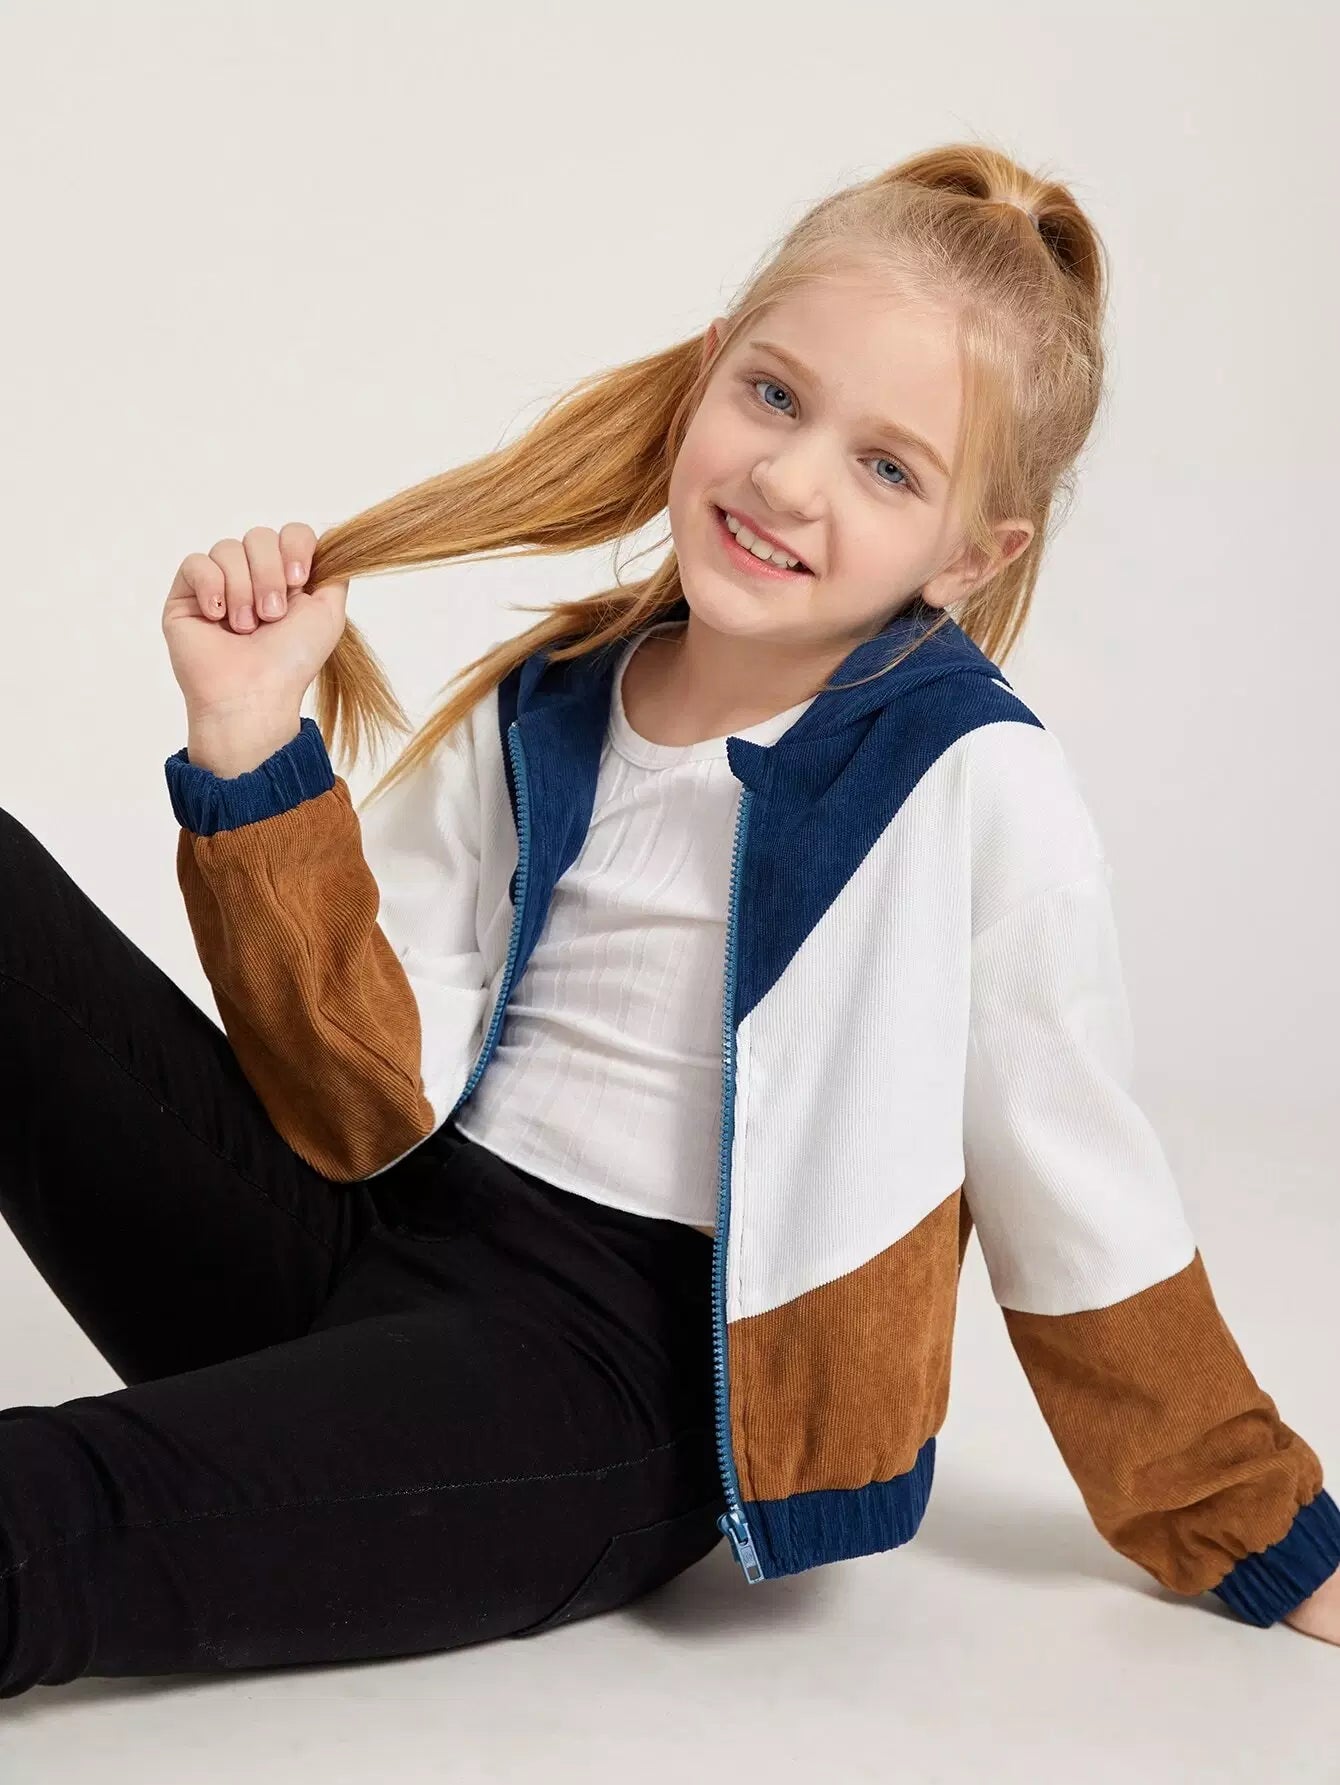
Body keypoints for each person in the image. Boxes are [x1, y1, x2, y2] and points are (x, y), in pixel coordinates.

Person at [1, 141, 1337, 1702]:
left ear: (973, 556)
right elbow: (352, 1088)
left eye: (889, 469)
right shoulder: (553, 701)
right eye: (775, 396)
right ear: (709, 370)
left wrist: (1268, 1532)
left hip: (593, 1378)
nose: (790, 480)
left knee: (57, 1511)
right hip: (375, 1228)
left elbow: (1080, 1194)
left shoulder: (968, 783)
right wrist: (248, 748)